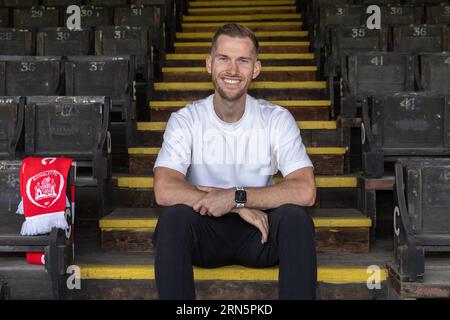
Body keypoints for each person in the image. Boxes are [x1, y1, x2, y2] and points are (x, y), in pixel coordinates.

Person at [153, 23, 317, 300]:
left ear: (256, 68)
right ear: (209, 64)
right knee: (172, 220)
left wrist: (237, 197)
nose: (232, 70)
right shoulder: (186, 120)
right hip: (206, 234)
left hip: (259, 232)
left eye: (243, 60)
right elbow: (165, 189)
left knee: (296, 219)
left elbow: (305, 190)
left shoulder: (276, 119)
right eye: (224, 58)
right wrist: (235, 206)